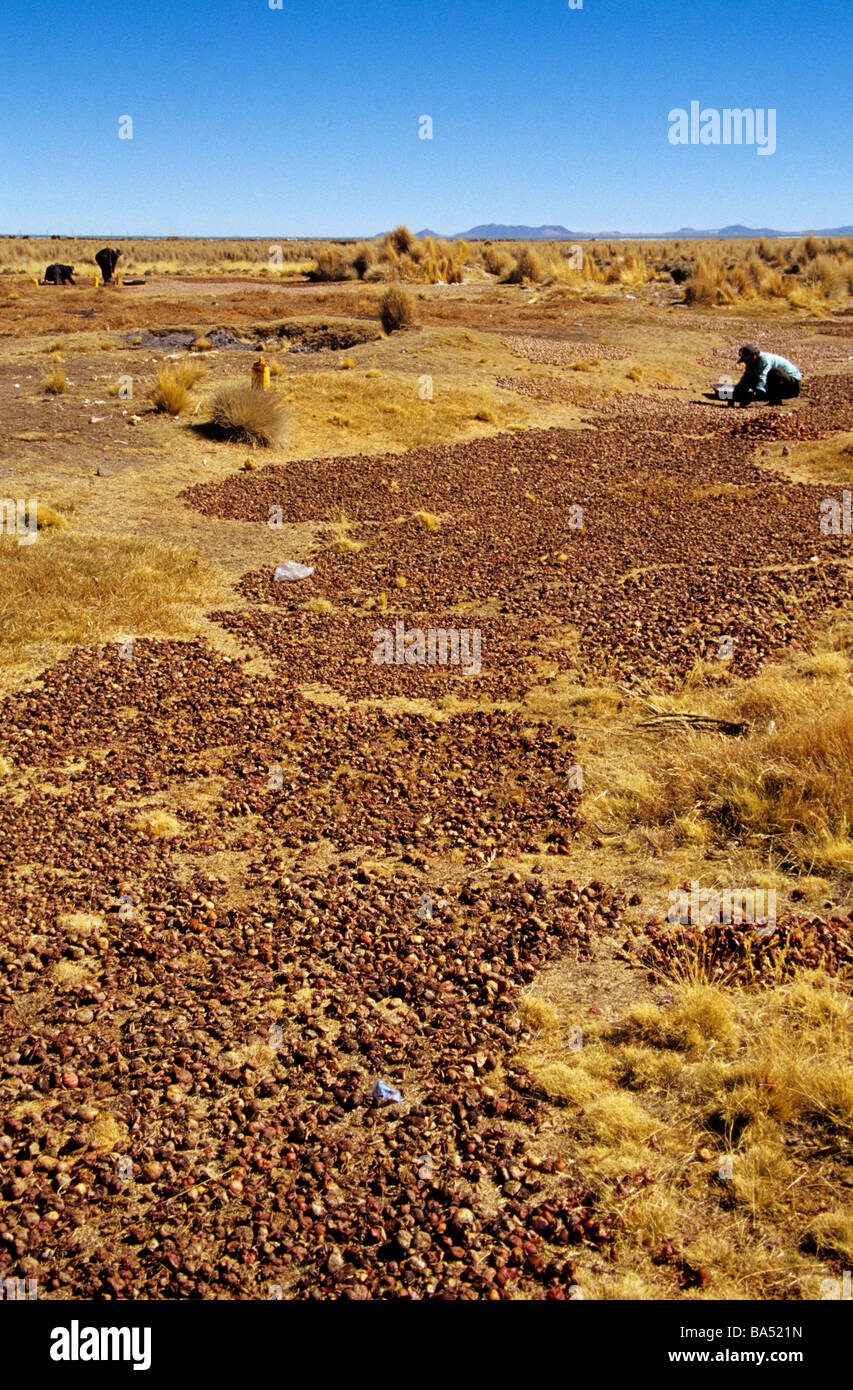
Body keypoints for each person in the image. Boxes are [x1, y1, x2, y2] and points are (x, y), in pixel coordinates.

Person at [731, 343, 802, 406]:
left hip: (792, 386)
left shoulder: (764, 360)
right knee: (750, 377)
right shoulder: (751, 365)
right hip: (780, 385)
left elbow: (762, 377)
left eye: (748, 360)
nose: (746, 363)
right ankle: (769, 397)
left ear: (755, 356)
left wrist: (750, 399)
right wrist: (735, 396)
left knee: (773, 372)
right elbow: (744, 380)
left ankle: (775, 400)